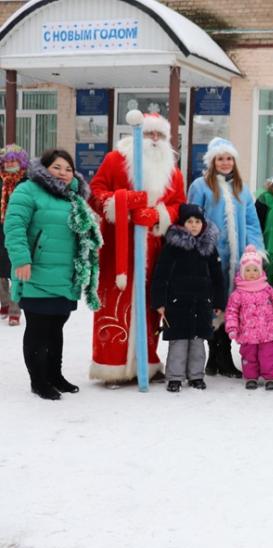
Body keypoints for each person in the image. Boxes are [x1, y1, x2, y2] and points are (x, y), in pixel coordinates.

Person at [88, 112, 186, 384]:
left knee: (151, 305)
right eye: (149, 134)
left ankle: (148, 363)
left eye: (160, 135)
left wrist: (158, 216)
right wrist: (125, 204)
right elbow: (95, 192)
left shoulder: (173, 172)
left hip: (154, 248)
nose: (155, 140)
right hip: (118, 246)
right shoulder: (115, 160)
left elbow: (179, 204)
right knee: (116, 301)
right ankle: (112, 366)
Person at [3, 149, 102, 399]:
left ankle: (54, 374)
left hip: (65, 274)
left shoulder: (74, 197)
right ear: (44, 168)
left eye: (68, 169)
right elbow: (14, 226)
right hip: (36, 271)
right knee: (38, 326)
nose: (63, 173)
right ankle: (38, 380)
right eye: (57, 167)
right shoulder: (28, 190)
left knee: (56, 325)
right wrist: (21, 259)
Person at [187, 137, 264, 378]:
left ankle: (225, 355)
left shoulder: (242, 188)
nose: (225, 162)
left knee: (232, 308)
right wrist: (199, 248)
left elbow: (251, 222)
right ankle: (213, 356)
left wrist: (253, 250)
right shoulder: (200, 186)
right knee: (212, 305)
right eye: (220, 158)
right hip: (210, 258)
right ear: (212, 161)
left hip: (237, 259)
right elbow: (192, 219)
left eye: (229, 158)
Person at [150, 204, 225, 393]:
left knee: (198, 341)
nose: (193, 225)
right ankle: (175, 377)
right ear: (182, 224)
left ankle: (196, 376)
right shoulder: (173, 247)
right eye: (189, 221)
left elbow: (218, 278)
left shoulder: (208, 248)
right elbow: (161, 275)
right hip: (177, 302)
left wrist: (218, 302)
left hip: (202, 302)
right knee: (179, 341)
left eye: (197, 221)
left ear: (203, 224)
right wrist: (159, 301)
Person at [224, 245, 273, 390]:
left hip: (269, 333)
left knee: (269, 356)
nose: (252, 273)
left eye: (255, 270)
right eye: (248, 270)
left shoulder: (267, 289)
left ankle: (270, 378)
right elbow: (231, 312)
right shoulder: (238, 293)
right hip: (247, 333)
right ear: (243, 272)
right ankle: (251, 377)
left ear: (260, 271)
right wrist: (232, 327)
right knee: (249, 357)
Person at [0, 144, 29, 326]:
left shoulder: (26, 182)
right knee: (0, 272)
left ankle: (14, 309)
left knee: (15, 269)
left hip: (19, 230)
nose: (10, 163)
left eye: (14, 160)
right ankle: (4, 302)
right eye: (7, 160)